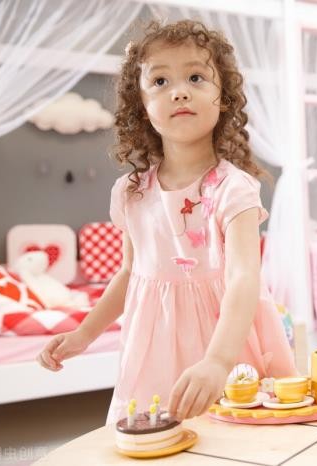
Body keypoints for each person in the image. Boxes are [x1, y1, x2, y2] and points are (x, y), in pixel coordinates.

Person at [37, 20, 297, 424]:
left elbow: (244, 277)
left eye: (196, 77)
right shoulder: (131, 193)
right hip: (153, 343)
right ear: (142, 106)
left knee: (235, 436)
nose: (179, 91)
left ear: (223, 98)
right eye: (160, 81)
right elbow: (129, 274)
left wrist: (217, 360)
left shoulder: (234, 189)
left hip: (224, 338)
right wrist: (84, 333)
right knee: (155, 435)